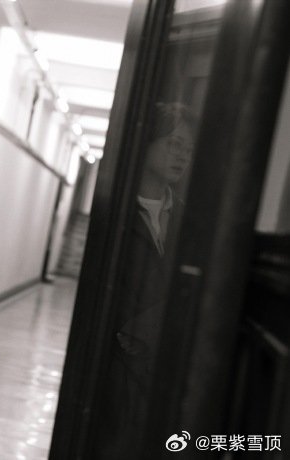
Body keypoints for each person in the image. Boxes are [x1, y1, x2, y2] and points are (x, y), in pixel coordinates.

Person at [99, 102, 195, 454]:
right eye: (173, 143)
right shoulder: (114, 211)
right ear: (147, 142)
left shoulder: (189, 219)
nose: (182, 155)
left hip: (165, 366)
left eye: (188, 149)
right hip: (114, 366)